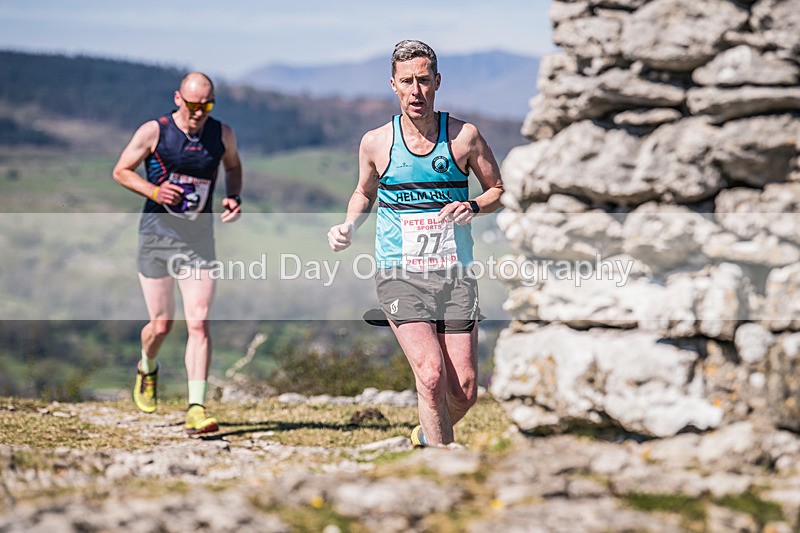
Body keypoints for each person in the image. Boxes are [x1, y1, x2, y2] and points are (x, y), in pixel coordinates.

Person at [327, 40, 504, 446]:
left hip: (455, 274)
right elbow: (363, 193)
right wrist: (349, 226)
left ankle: (427, 435)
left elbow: (498, 189)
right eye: (407, 82)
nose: (416, 91)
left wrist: (474, 205)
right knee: (430, 375)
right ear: (393, 85)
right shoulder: (376, 142)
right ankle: (440, 467)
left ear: (437, 82)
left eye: (423, 81)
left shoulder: (464, 137)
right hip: (399, 274)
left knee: (464, 391)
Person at [112, 72, 243, 435]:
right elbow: (121, 171)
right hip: (156, 237)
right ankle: (147, 365)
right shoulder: (154, 131)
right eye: (193, 104)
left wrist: (233, 196)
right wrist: (154, 193)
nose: (200, 112)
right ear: (178, 99)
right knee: (161, 324)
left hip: (198, 241)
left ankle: (197, 408)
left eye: (208, 105)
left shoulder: (222, 134)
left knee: (198, 322)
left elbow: (233, 166)